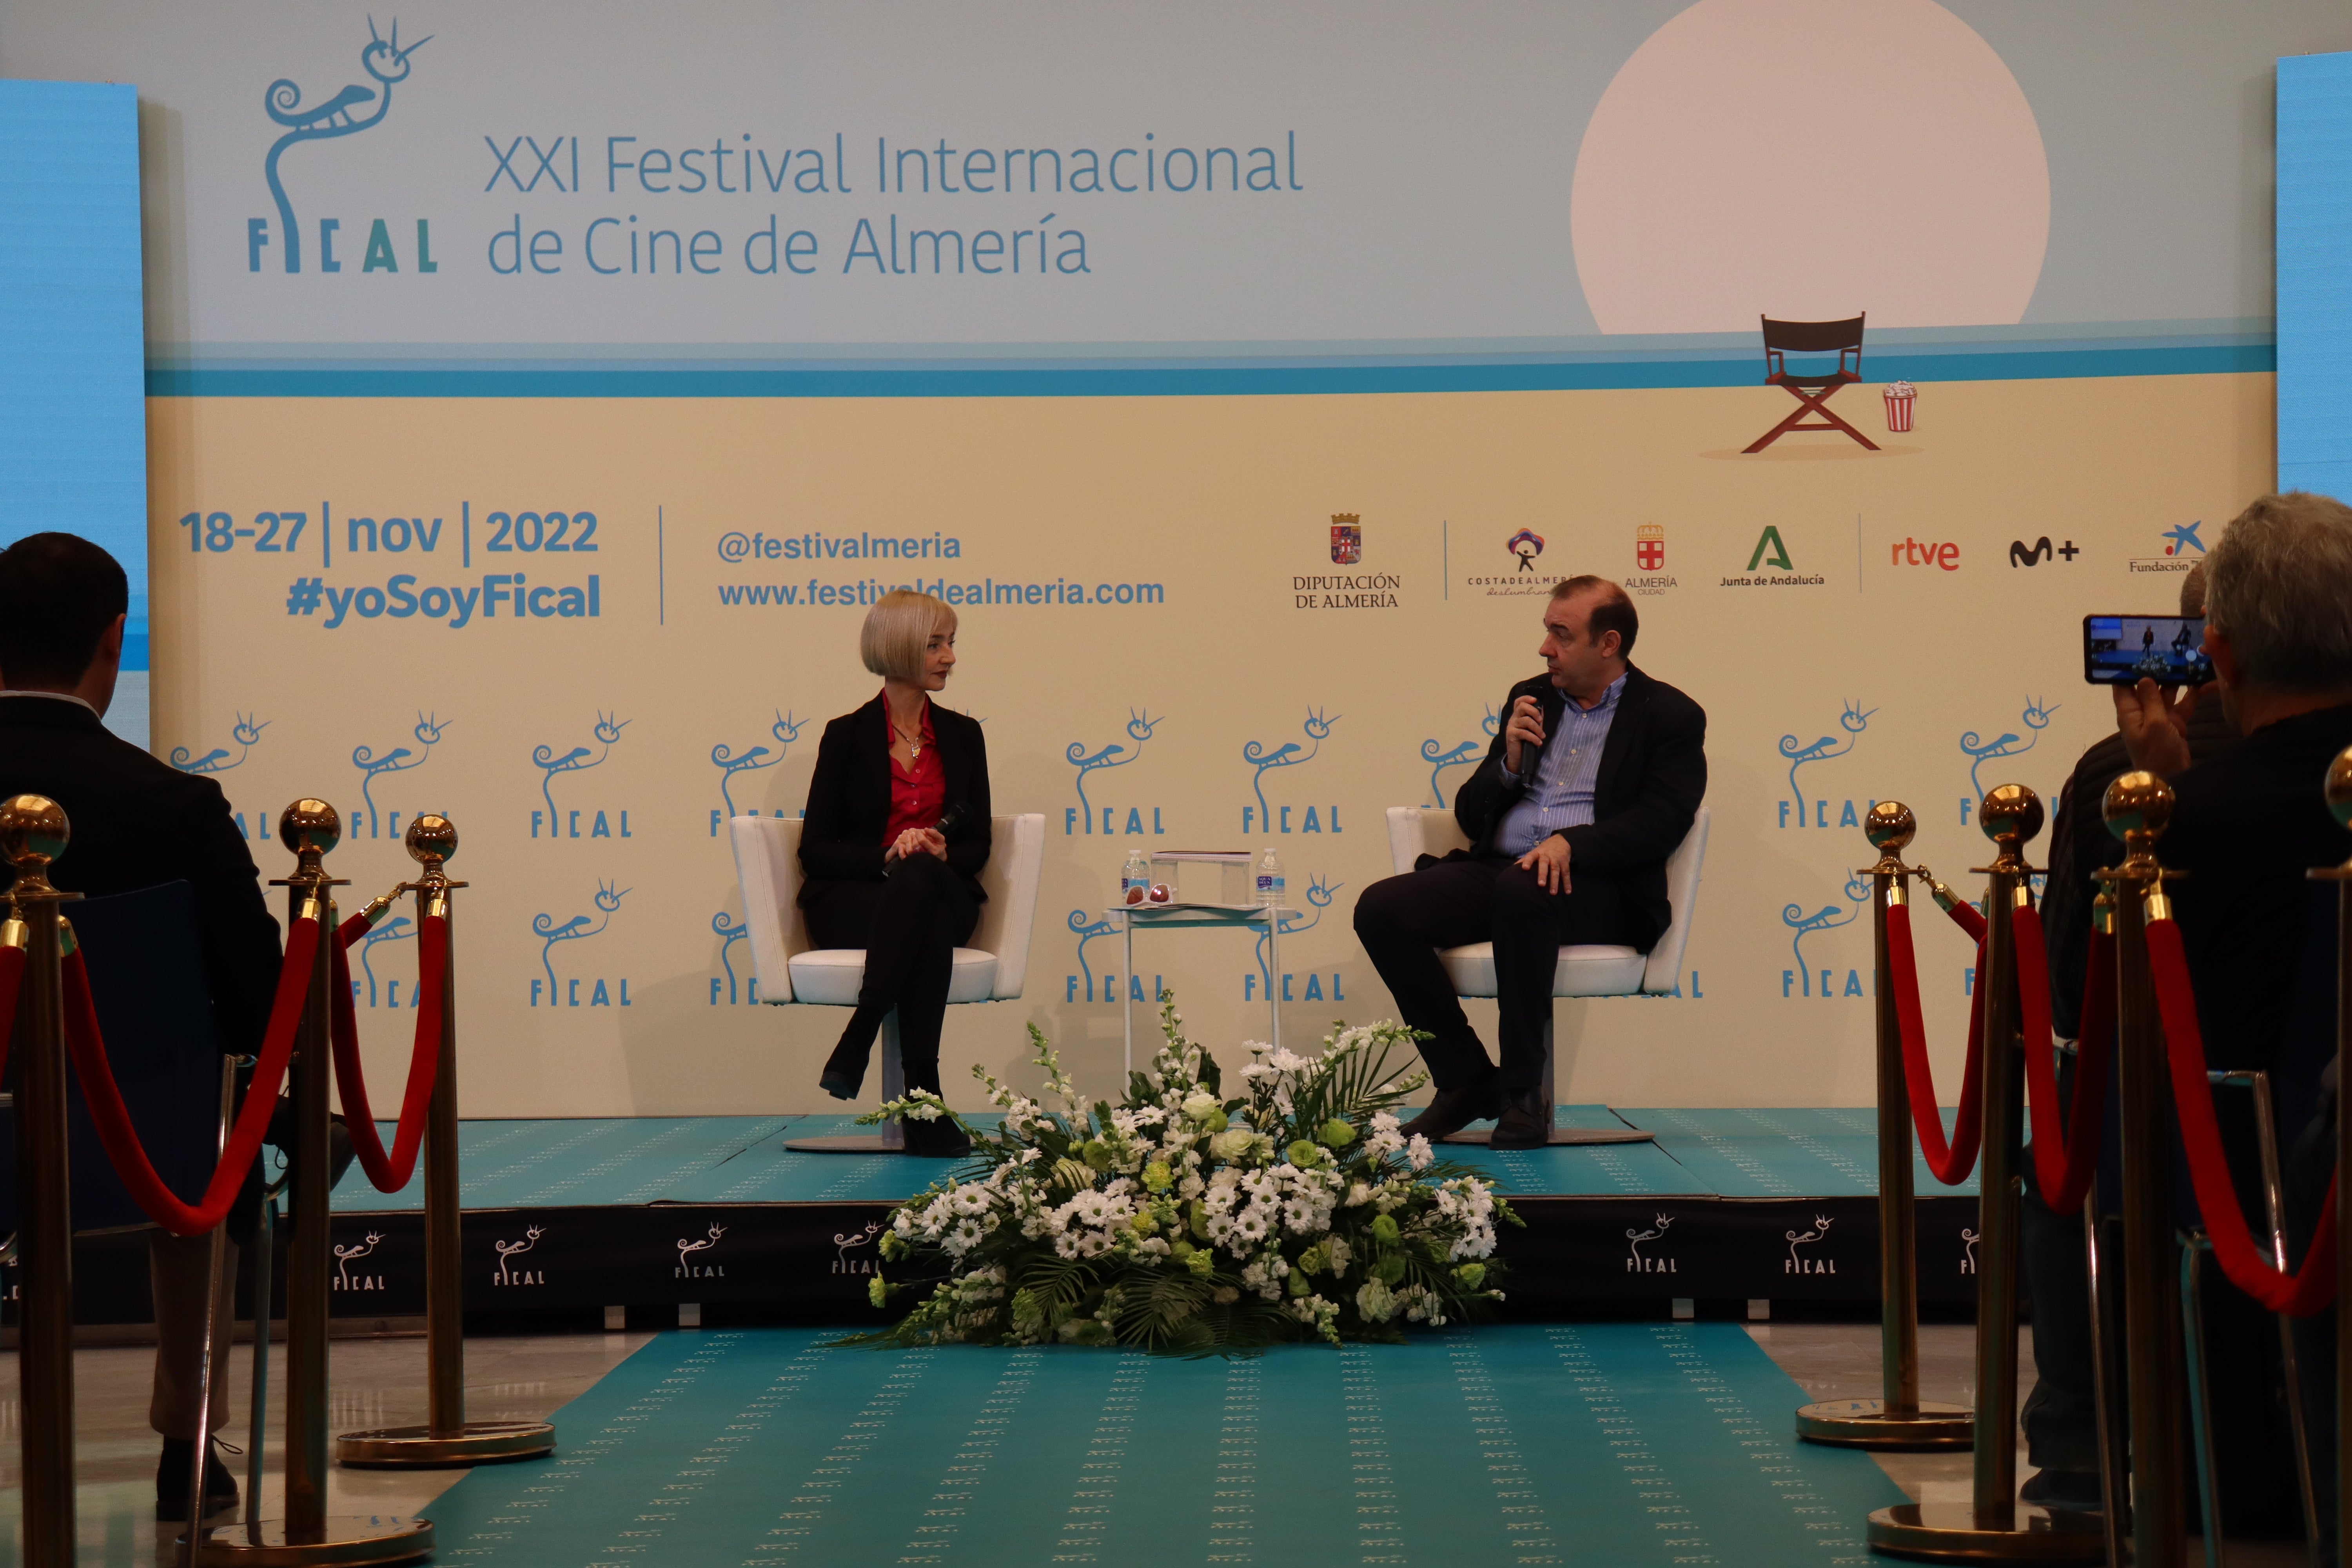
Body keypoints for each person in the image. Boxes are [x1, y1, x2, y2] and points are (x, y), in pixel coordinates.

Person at [2022, 493, 2352, 1535]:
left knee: (2068, 1141)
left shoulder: (2169, 823)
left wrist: (2164, 811)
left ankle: (2085, 1466)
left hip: (2237, 1194)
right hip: (2301, 1156)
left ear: (2220, 654)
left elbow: (2096, 1009)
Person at [0, 532, 281, 1520]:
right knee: (213, 1119)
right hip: (134, 1145)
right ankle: (185, 1440)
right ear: (115, 640)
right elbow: (260, 997)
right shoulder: (178, 805)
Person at [1352, 576, 1705, 1148]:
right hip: (1505, 869)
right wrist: (1509, 764)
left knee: (1525, 890)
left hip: (1600, 888)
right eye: (1547, 632)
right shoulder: (1532, 697)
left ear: (1608, 643)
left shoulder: (1670, 715)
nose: (1545, 648)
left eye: (1561, 635)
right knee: (1384, 908)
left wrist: (1575, 843)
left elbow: (1663, 821)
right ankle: (1466, 1080)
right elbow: (1471, 814)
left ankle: (1523, 1095)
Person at [799, 589, 991, 1157]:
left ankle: (860, 1034)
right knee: (912, 885)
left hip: (943, 891)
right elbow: (815, 850)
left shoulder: (963, 735)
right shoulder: (846, 735)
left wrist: (937, 848)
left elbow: (977, 843)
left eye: (951, 643)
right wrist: (887, 854)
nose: (950, 657)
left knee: (921, 877)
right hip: (858, 902)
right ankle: (924, 1098)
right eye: (936, 645)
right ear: (901, 648)